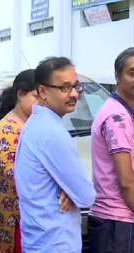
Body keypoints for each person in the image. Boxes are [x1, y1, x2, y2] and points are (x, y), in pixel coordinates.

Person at [14, 57, 96, 253]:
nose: (74, 94)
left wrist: (72, 190)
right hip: (54, 243)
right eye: (65, 88)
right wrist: (75, 191)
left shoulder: (39, 124)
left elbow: (79, 192)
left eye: (76, 86)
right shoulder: (51, 132)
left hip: (43, 240)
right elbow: (86, 196)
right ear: (42, 91)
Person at [89, 48, 134, 253]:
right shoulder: (117, 118)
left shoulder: (123, 110)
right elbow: (126, 182)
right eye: (132, 73)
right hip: (118, 222)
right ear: (117, 76)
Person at [0, 69, 38, 253]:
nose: (42, 103)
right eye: (36, 96)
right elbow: (16, 175)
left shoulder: (31, 123)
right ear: (20, 94)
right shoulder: (7, 130)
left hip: (29, 215)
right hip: (16, 216)